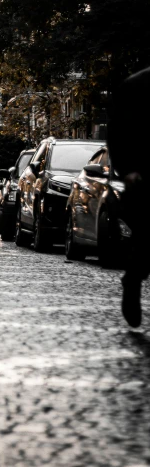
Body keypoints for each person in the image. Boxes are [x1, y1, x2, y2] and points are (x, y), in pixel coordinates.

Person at [107, 66, 150, 327]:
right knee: (147, 239)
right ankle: (133, 280)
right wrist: (128, 170)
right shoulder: (136, 86)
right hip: (144, 178)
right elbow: (117, 133)